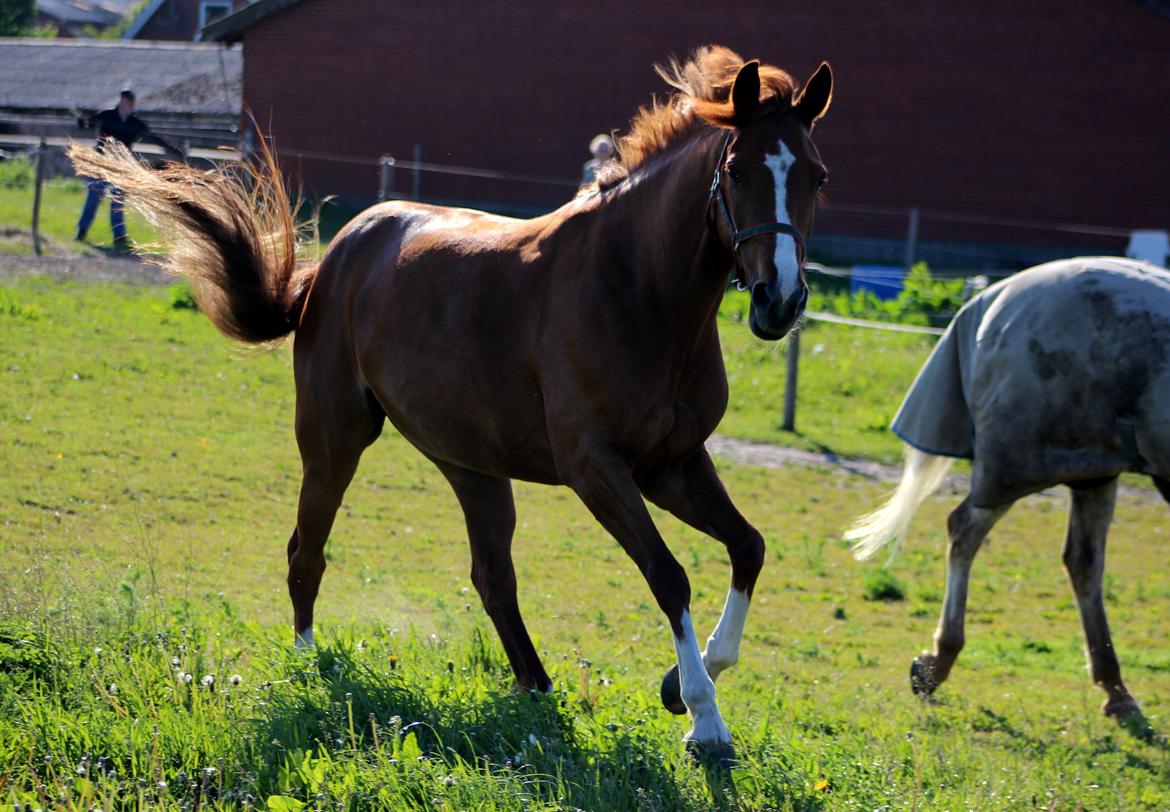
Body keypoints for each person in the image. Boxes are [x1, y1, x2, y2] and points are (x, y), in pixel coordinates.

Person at [75, 89, 180, 250]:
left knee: (117, 201)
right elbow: (89, 123)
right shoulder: (107, 116)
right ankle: (81, 231)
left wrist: (173, 149)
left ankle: (119, 237)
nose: (125, 106)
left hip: (121, 166)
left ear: (132, 105)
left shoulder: (134, 124)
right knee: (94, 196)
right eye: (124, 102)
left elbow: (153, 137)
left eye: (128, 104)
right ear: (120, 102)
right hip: (101, 163)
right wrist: (82, 122)